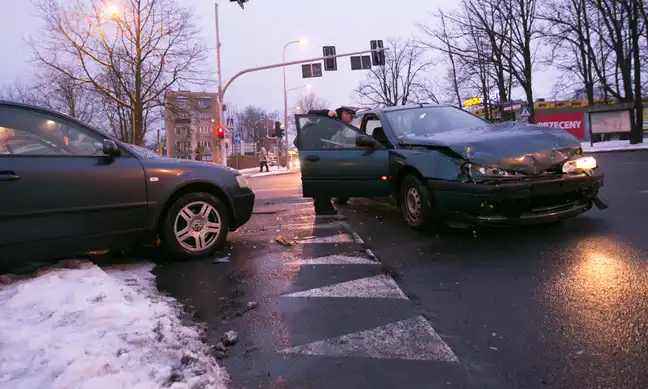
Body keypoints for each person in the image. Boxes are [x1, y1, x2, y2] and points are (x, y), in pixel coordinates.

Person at [294, 106, 357, 215]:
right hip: (310, 146)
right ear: (344, 114)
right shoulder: (331, 115)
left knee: (321, 178)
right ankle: (323, 208)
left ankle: (324, 207)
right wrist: (326, 112)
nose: (351, 121)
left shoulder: (338, 123)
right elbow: (311, 113)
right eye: (351, 117)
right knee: (320, 178)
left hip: (315, 148)